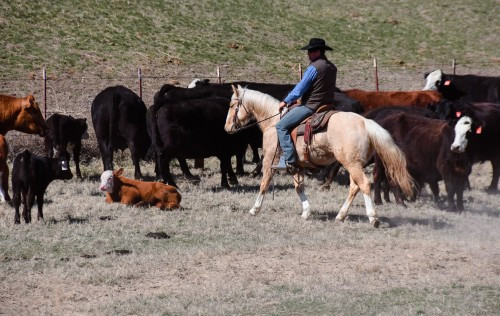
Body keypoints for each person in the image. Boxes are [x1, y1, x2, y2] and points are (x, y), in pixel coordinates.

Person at [272, 38, 337, 170]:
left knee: (281, 126)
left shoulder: (314, 68)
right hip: (327, 105)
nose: (308, 54)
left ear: (318, 51)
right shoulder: (332, 67)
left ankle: (289, 160)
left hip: (311, 106)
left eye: (311, 51)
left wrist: (286, 101)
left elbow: (300, 88)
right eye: (308, 51)